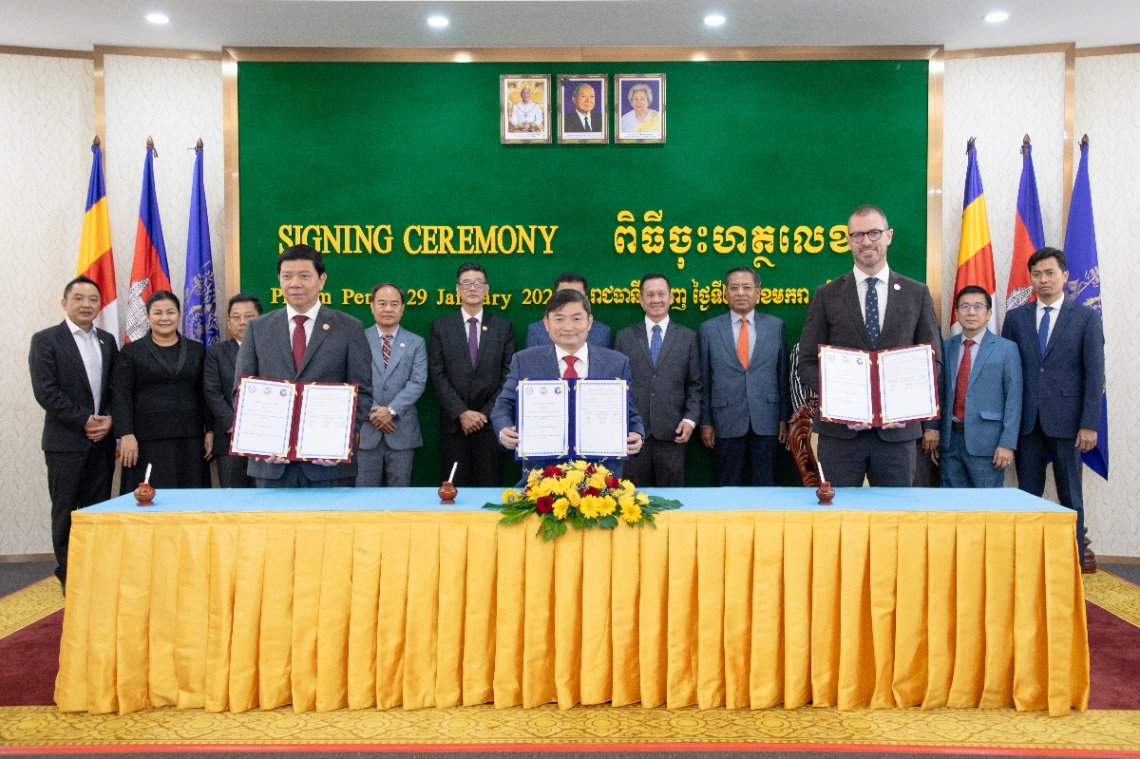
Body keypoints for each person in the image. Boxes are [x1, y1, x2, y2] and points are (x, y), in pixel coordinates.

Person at [797, 204, 943, 487]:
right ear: (848, 241)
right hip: (840, 434)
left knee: (895, 512)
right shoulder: (826, 295)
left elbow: (932, 361)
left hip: (897, 434)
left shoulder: (916, 293)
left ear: (889, 235)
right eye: (858, 235)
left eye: (874, 233)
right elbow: (807, 362)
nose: (866, 241)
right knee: (839, 512)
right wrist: (843, 402)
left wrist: (904, 405)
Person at [234, 244, 372, 487]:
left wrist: (339, 441)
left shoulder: (349, 328)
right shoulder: (258, 328)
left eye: (304, 276)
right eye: (287, 276)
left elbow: (362, 392)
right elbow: (242, 392)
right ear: (279, 280)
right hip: (271, 466)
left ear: (321, 280)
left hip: (329, 468)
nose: (295, 283)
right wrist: (258, 442)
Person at [1001, 247, 1105, 560]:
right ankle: (1028, 560)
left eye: (1050, 273)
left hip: (1069, 422)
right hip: (1027, 421)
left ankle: (1072, 561)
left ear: (1064, 276)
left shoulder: (1086, 318)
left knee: (1070, 494)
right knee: (1027, 495)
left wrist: (1089, 424)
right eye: (1037, 274)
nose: (1043, 279)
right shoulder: (1016, 318)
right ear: (1030, 278)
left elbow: (1094, 374)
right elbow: (1008, 371)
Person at [492, 288, 644, 475]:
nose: (568, 327)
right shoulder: (525, 361)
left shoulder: (617, 363)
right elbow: (503, 405)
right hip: (543, 477)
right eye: (559, 319)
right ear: (546, 324)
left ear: (589, 322)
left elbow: (630, 412)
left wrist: (638, 434)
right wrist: (503, 430)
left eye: (576, 318)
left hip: (601, 477)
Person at [29, 276, 117, 593]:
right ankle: (69, 574)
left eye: (93, 299)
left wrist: (109, 420)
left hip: (102, 442)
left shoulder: (107, 340)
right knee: (65, 510)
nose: (86, 304)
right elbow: (46, 391)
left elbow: (115, 388)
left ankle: (96, 571)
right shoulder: (46, 340)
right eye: (78, 298)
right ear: (65, 303)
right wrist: (84, 420)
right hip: (65, 442)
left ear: (99, 305)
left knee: (97, 509)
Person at [112, 290, 211, 494]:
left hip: (190, 440)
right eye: (157, 313)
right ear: (147, 317)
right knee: (150, 499)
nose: (164, 318)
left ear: (179, 315)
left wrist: (209, 430)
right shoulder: (131, 352)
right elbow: (121, 395)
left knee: (190, 498)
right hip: (147, 441)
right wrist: (126, 434)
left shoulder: (196, 350)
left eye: (170, 312)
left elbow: (205, 394)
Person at [698, 267, 790, 486]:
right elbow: (704, 380)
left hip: (767, 419)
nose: (740, 293)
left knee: (766, 487)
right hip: (725, 421)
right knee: (727, 487)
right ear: (725, 292)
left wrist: (783, 418)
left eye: (747, 287)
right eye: (734, 287)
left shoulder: (775, 326)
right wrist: (706, 421)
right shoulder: (708, 329)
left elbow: (782, 377)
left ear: (758, 292)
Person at [429, 263, 515, 487]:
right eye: (466, 283)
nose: (473, 288)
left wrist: (483, 415)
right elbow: (437, 374)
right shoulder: (441, 327)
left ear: (487, 289)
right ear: (457, 290)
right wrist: (461, 412)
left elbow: (508, 375)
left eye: (478, 283)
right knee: (454, 491)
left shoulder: (503, 327)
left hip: (490, 425)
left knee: (490, 488)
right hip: (454, 426)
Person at [613, 272, 701, 486]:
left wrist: (690, 420)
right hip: (634, 434)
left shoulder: (688, 337)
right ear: (641, 300)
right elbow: (616, 386)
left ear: (671, 297)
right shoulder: (624, 337)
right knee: (634, 498)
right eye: (650, 295)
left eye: (661, 294)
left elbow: (696, 385)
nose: (656, 299)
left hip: (674, 433)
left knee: (672, 498)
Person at [935, 286, 1022, 488]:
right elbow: (939, 394)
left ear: (989, 313)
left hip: (988, 446)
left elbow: (1014, 399)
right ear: (957, 313)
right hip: (949, 443)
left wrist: (1007, 444)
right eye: (965, 306)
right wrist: (937, 434)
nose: (971, 312)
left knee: (986, 505)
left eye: (978, 306)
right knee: (951, 504)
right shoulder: (946, 347)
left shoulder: (1006, 349)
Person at [357, 282, 426, 488]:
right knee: (363, 496)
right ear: (372, 306)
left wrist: (391, 411)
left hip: (401, 431)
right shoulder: (358, 339)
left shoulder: (416, 342)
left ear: (402, 308)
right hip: (366, 431)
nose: (388, 309)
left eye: (394, 304)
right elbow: (353, 379)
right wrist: (374, 413)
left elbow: (417, 382)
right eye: (382, 303)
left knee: (400, 496)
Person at [203, 293, 262, 488]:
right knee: (233, 496)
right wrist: (234, 425)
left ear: (260, 319)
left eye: (249, 316)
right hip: (230, 439)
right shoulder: (216, 353)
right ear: (228, 322)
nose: (242, 322)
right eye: (236, 317)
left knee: (266, 498)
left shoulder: (273, 350)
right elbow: (212, 392)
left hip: (266, 438)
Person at [525, 272, 611, 349]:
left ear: (586, 299)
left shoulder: (602, 332)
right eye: (564, 295)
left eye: (577, 295)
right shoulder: (536, 331)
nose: (570, 301)